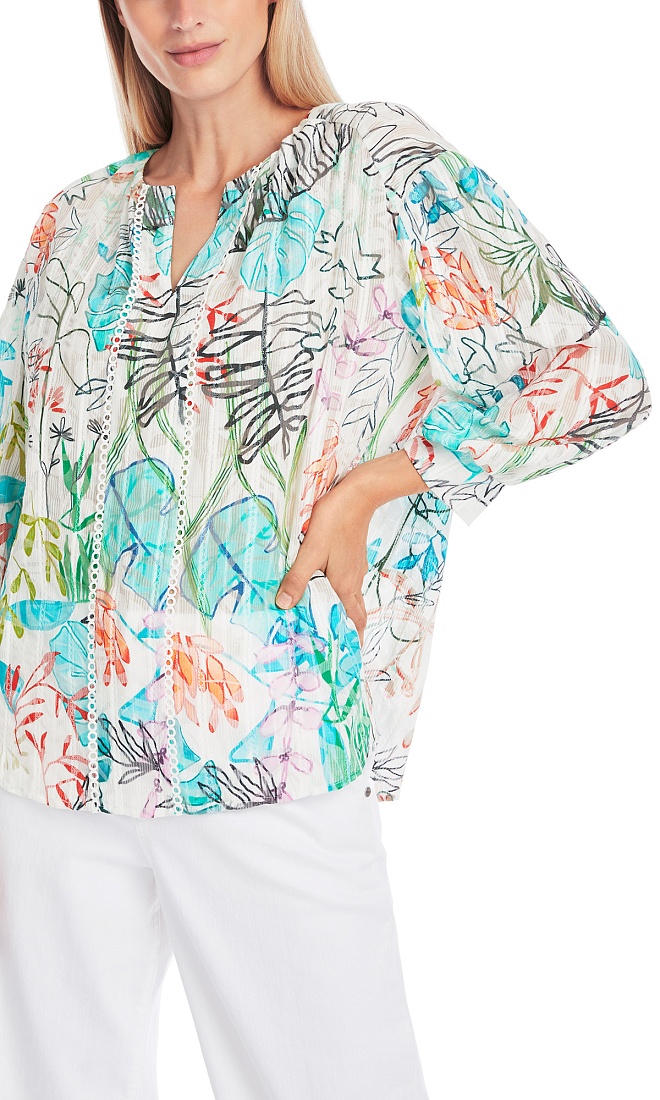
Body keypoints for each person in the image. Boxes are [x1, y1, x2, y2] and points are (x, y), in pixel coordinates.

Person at [0, 0, 651, 1097]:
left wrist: (377, 485)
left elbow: (593, 372)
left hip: (271, 743)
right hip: (46, 747)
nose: (183, 12)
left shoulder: (377, 168)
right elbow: (14, 473)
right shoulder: (79, 220)